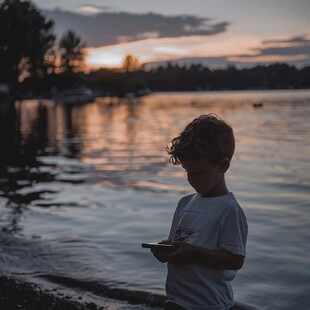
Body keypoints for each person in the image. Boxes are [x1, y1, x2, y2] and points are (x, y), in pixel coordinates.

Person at [151, 114, 248, 310]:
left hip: (209, 304)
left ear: (222, 165)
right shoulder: (184, 203)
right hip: (176, 301)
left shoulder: (229, 210)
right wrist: (166, 250)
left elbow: (235, 260)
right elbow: (177, 244)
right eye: (186, 171)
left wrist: (194, 254)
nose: (190, 179)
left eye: (197, 172)